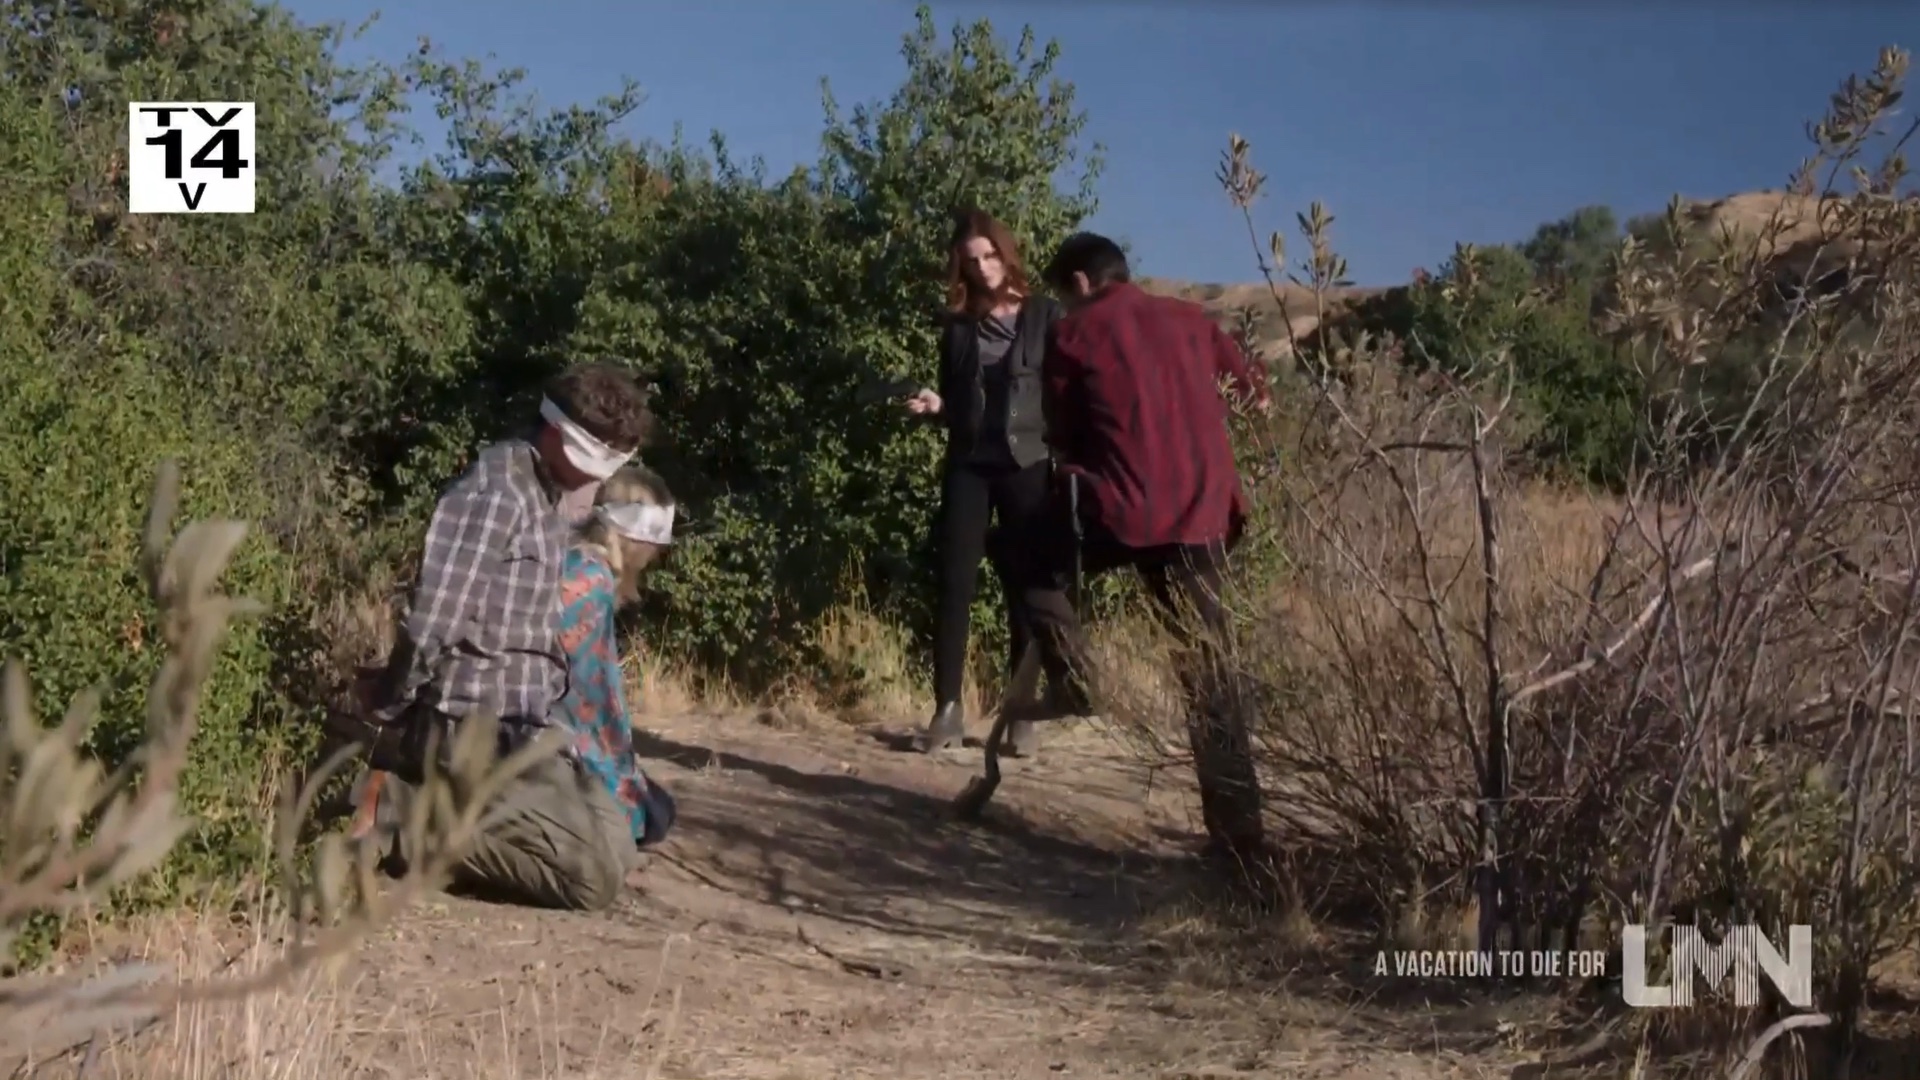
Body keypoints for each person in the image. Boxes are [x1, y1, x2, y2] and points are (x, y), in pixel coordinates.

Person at [993, 231, 1273, 868]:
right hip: (1206, 511)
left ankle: (1075, 680)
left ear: (1080, 284)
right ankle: (1241, 842)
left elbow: (1064, 431)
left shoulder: (1075, 333)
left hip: (1128, 511)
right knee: (1208, 669)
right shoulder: (1192, 319)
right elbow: (1252, 395)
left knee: (1019, 546)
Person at [352, 362, 656, 912]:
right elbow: (433, 621)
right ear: (555, 431)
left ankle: (444, 817)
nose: (597, 480)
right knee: (590, 881)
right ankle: (394, 815)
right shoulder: (495, 492)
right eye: (596, 460)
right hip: (470, 725)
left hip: (527, 728)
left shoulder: (548, 496)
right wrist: (392, 704)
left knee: (618, 846)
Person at [902, 209, 1070, 756]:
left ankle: (1020, 712)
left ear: (1005, 253)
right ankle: (947, 709)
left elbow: (1063, 392)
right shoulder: (957, 324)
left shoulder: (1045, 315)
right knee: (955, 581)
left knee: (1026, 587)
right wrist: (937, 405)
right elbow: (957, 400)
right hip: (969, 462)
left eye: (990, 255)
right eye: (971, 260)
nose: (982, 267)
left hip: (1028, 461)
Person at [553, 464, 680, 852]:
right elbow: (590, 699)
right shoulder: (593, 581)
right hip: (555, 742)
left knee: (656, 807)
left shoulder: (573, 558)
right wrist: (623, 781)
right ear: (638, 541)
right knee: (653, 815)